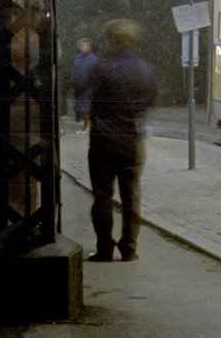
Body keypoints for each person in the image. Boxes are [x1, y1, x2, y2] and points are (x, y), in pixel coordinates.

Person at [85, 19, 158, 262]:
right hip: (133, 142)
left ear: (114, 41)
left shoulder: (101, 69)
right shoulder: (147, 69)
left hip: (104, 142)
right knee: (131, 196)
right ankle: (129, 248)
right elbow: (151, 102)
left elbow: (90, 100)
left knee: (103, 196)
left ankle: (105, 248)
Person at [69, 38, 98, 133]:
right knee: (81, 109)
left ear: (89, 47)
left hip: (88, 87)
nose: (82, 47)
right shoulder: (77, 57)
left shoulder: (93, 58)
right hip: (78, 87)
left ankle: (89, 127)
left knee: (87, 109)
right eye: (81, 45)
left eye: (85, 45)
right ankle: (85, 126)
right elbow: (73, 70)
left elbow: (95, 74)